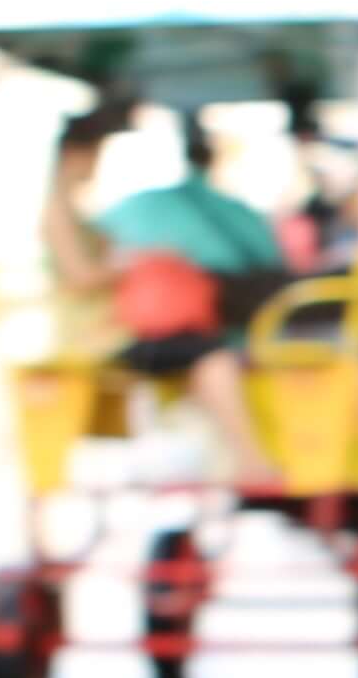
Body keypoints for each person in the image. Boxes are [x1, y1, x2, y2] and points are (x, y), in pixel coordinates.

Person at [42, 106, 296, 489]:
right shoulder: (57, 210)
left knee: (209, 349)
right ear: (75, 154)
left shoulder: (83, 210)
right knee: (212, 356)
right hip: (101, 338)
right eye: (95, 155)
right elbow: (81, 279)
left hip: (118, 329)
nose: (97, 166)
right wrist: (134, 265)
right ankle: (249, 461)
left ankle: (233, 459)